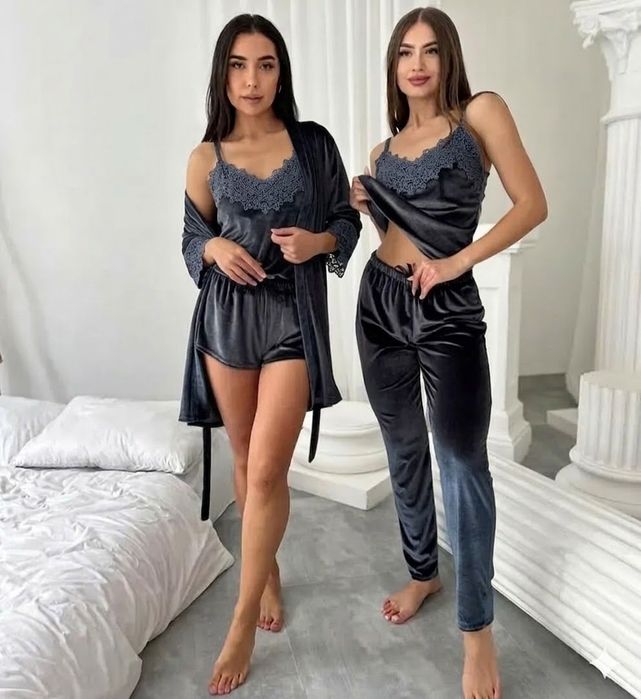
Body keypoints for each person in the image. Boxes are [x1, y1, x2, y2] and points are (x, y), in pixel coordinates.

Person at [350, 7, 547, 699]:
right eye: (405, 52)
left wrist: (458, 262)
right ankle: (422, 573)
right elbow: (399, 229)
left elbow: (531, 204)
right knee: (403, 449)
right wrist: (367, 204)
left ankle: (476, 630)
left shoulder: (479, 115)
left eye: (430, 51)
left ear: (448, 58)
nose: (417, 64)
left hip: (447, 306)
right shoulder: (381, 152)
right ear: (393, 65)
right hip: (378, 302)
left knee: (461, 462)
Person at [179, 13, 361, 695]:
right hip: (226, 321)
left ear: (281, 73)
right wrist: (212, 247)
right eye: (238, 65)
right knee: (246, 460)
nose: (251, 80)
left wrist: (319, 243)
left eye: (265, 65)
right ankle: (269, 570)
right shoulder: (205, 157)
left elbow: (346, 219)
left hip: (290, 317)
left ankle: (240, 623)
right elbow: (188, 240)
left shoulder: (312, 144)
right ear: (222, 75)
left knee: (266, 472)